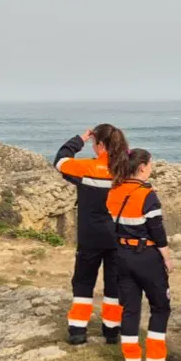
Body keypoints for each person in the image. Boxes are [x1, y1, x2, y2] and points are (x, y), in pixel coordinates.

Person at [55, 125, 127, 346]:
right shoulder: (125, 170)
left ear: (101, 145)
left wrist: (79, 139)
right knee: (115, 283)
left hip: (90, 236)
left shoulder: (86, 168)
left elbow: (60, 160)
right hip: (118, 236)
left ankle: (78, 330)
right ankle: (111, 330)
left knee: (83, 281)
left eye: (95, 143)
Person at [108, 148, 175, 361]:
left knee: (130, 308)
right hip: (146, 256)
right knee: (160, 306)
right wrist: (167, 258)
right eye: (150, 164)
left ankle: (132, 360)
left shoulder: (114, 190)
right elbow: (157, 231)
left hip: (122, 254)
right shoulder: (147, 194)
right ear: (142, 167)